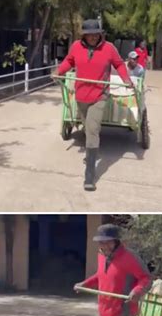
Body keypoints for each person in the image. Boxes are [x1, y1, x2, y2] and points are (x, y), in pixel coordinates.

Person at [54, 20, 134, 192]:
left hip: (100, 95)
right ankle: (92, 151)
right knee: (87, 126)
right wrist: (59, 72)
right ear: (84, 35)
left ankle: (89, 174)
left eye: (95, 34)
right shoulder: (76, 46)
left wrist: (126, 80)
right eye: (89, 34)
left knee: (92, 128)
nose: (92, 37)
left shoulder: (109, 48)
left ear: (100, 34)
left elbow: (119, 64)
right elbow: (69, 61)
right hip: (81, 95)